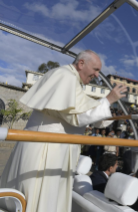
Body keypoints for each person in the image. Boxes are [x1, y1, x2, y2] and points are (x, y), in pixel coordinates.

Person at [0, 50, 127, 212]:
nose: (97, 75)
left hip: (46, 149)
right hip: (46, 151)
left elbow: (82, 107)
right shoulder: (65, 76)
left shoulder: (70, 79)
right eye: (95, 69)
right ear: (81, 64)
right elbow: (80, 114)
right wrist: (108, 100)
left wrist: (104, 113)